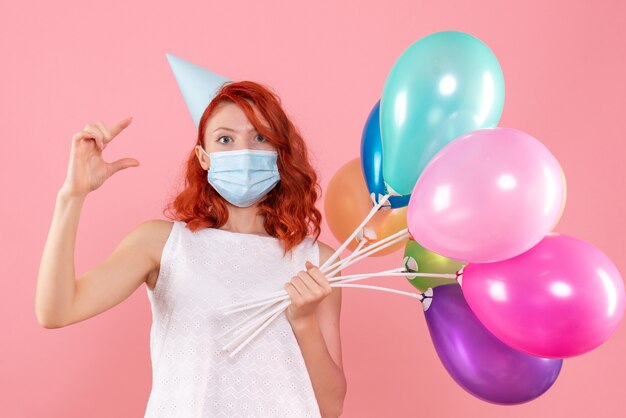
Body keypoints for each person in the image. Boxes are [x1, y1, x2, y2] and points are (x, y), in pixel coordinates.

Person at [35, 81, 347, 417]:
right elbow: (57, 311)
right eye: (225, 139)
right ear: (204, 157)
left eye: (260, 137)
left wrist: (304, 322)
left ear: (280, 153)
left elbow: (330, 407)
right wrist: (71, 196)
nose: (243, 152)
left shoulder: (318, 262)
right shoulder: (162, 244)